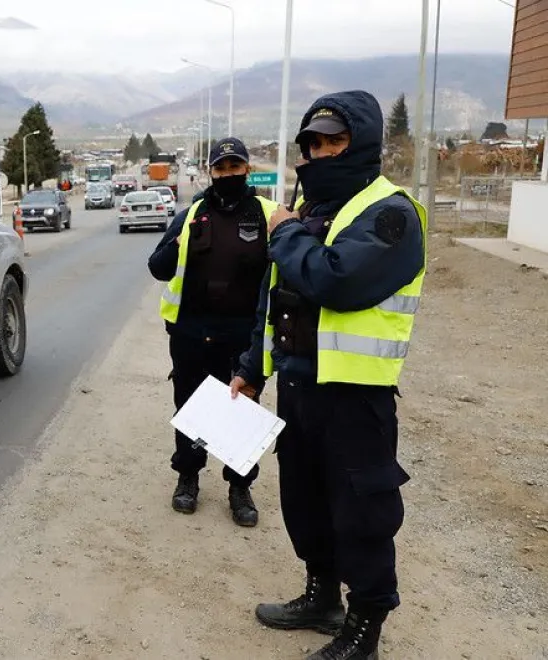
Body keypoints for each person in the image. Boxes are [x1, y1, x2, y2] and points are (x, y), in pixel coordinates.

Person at [230, 90, 427, 659]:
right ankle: (321, 595)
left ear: (361, 144)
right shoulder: (314, 213)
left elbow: (334, 281)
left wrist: (286, 233)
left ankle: (365, 626)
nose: (319, 153)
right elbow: (278, 298)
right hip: (297, 386)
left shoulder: (389, 213)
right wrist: (251, 369)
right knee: (306, 499)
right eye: (312, 143)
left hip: (354, 396)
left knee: (361, 511)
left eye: (333, 141)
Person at [148, 137, 277, 526]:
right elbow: (158, 267)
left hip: (245, 338)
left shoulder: (269, 215)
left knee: (242, 411)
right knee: (190, 409)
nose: (227, 175)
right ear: (210, 172)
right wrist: (179, 240)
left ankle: (240, 486)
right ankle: (188, 477)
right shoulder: (190, 216)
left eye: (235, 168)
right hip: (191, 333)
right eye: (220, 169)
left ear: (247, 170)